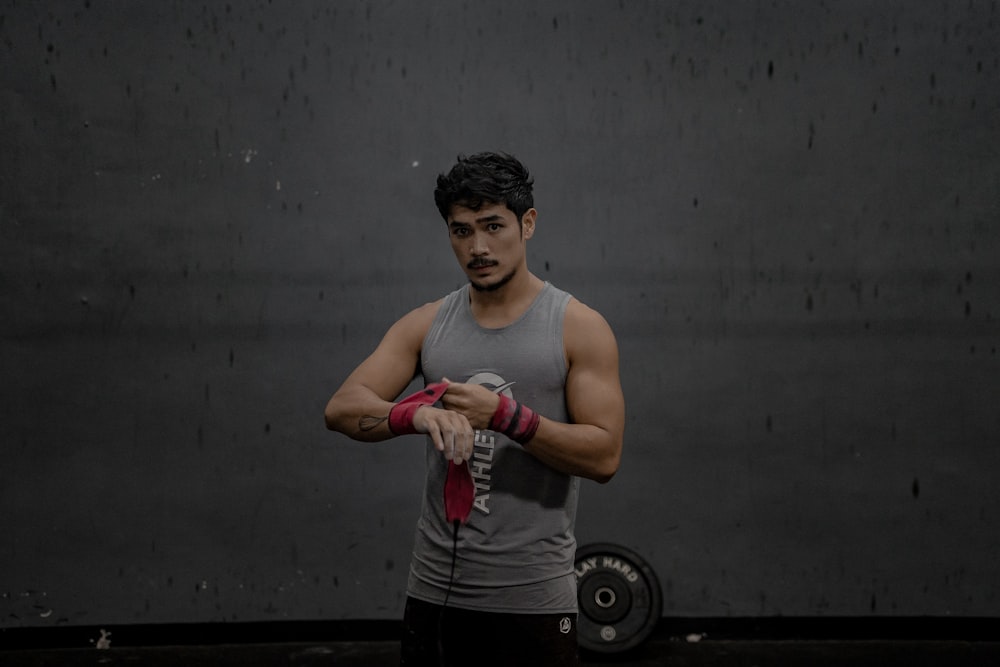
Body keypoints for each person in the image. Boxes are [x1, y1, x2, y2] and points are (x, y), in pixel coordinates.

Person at [324, 151, 625, 666]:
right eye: (461, 231)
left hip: (533, 597)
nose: (478, 247)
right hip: (434, 593)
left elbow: (603, 458)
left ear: (527, 224)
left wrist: (508, 417)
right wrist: (413, 414)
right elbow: (343, 408)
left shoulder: (578, 326)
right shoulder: (427, 324)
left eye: (492, 226)